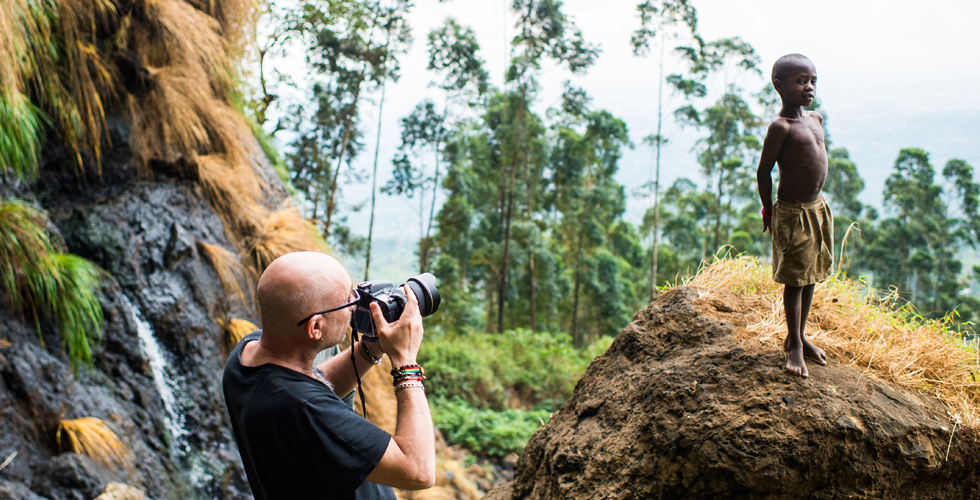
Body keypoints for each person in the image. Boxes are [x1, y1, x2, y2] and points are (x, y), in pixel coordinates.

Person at [222, 251, 436, 499]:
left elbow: (311, 383)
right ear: (315, 327)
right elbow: (418, 470)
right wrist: (405, 361)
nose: (356, 307)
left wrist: (370, 349)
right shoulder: (305, 410)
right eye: (348, 301)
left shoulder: (248, 352)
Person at [757, 53, 833, 378]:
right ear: (779, 86)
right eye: (801, 81)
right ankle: (794, 348)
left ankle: (799, 336)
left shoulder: (814, 118)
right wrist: (768, 210)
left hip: (817, 209)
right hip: (792, 213)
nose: (809, 87)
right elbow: (764, 172)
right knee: (794, 280)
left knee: (811, 275)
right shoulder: (780, 127)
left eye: (813, 80)